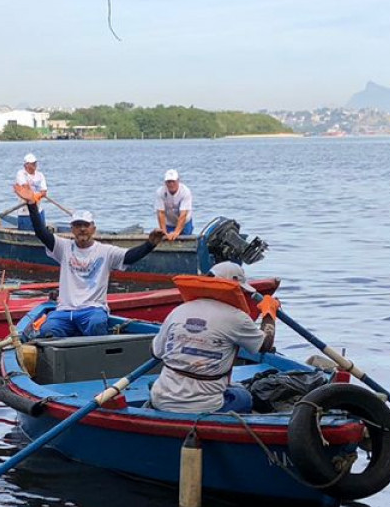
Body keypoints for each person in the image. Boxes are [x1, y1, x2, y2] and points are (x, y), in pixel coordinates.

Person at [149, 262, 278, 414]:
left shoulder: (178, 310)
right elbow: (265, 345)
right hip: (206, 406)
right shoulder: (236, 317)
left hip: (161, 399)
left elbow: (155, 351)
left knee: (155, 383)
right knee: (244, 397)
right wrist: (269, 314)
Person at [25, 201, 163, 337]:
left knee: (96, 324)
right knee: (48, 330)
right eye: (78, 225)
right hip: (65, 311)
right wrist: (32, 204)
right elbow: (41, 232)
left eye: (86, 225)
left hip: (93, 309)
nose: (82, 229)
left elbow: (130, 257)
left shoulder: (105, 251)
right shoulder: (63, 247)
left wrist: (149, 245)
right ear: (71, 229)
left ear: (93, 228)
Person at [156, 169, 193, 238]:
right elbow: (161, 213)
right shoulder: (160, 192)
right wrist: (164, 232)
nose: (171, 184)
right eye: (169, 182)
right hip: (169, 222)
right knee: (166, 238)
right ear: (165, 182)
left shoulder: (185, 191)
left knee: (184, 238)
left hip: (185, 221)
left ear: (178, 181)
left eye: (173, 181)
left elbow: (183, 214)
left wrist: (176, 232)